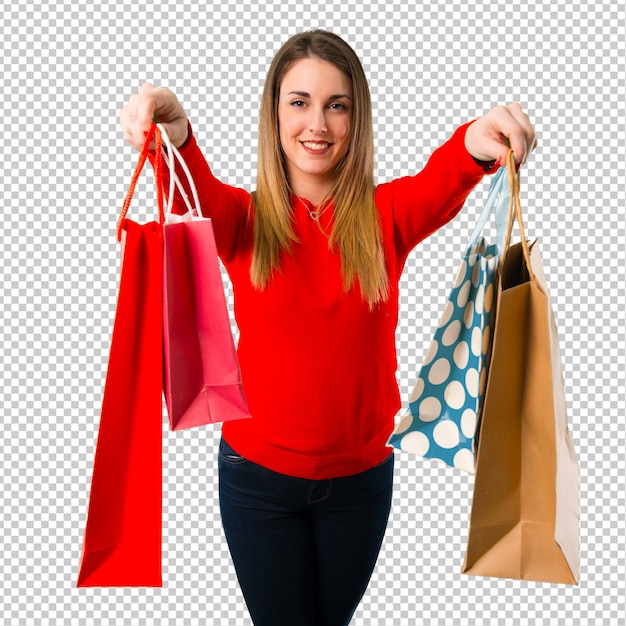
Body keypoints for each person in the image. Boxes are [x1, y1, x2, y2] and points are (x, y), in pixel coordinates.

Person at [120, 29, 535, 626]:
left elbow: (442, 179)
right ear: (275, 114)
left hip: (361, 482)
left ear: (356, 118)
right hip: (255, 480)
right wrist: (176, 130)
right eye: (300, 102)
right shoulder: (244, 219)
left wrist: (477, 137)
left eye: (336, 105)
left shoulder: (384, 217)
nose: (317, 122)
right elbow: (193, 185)